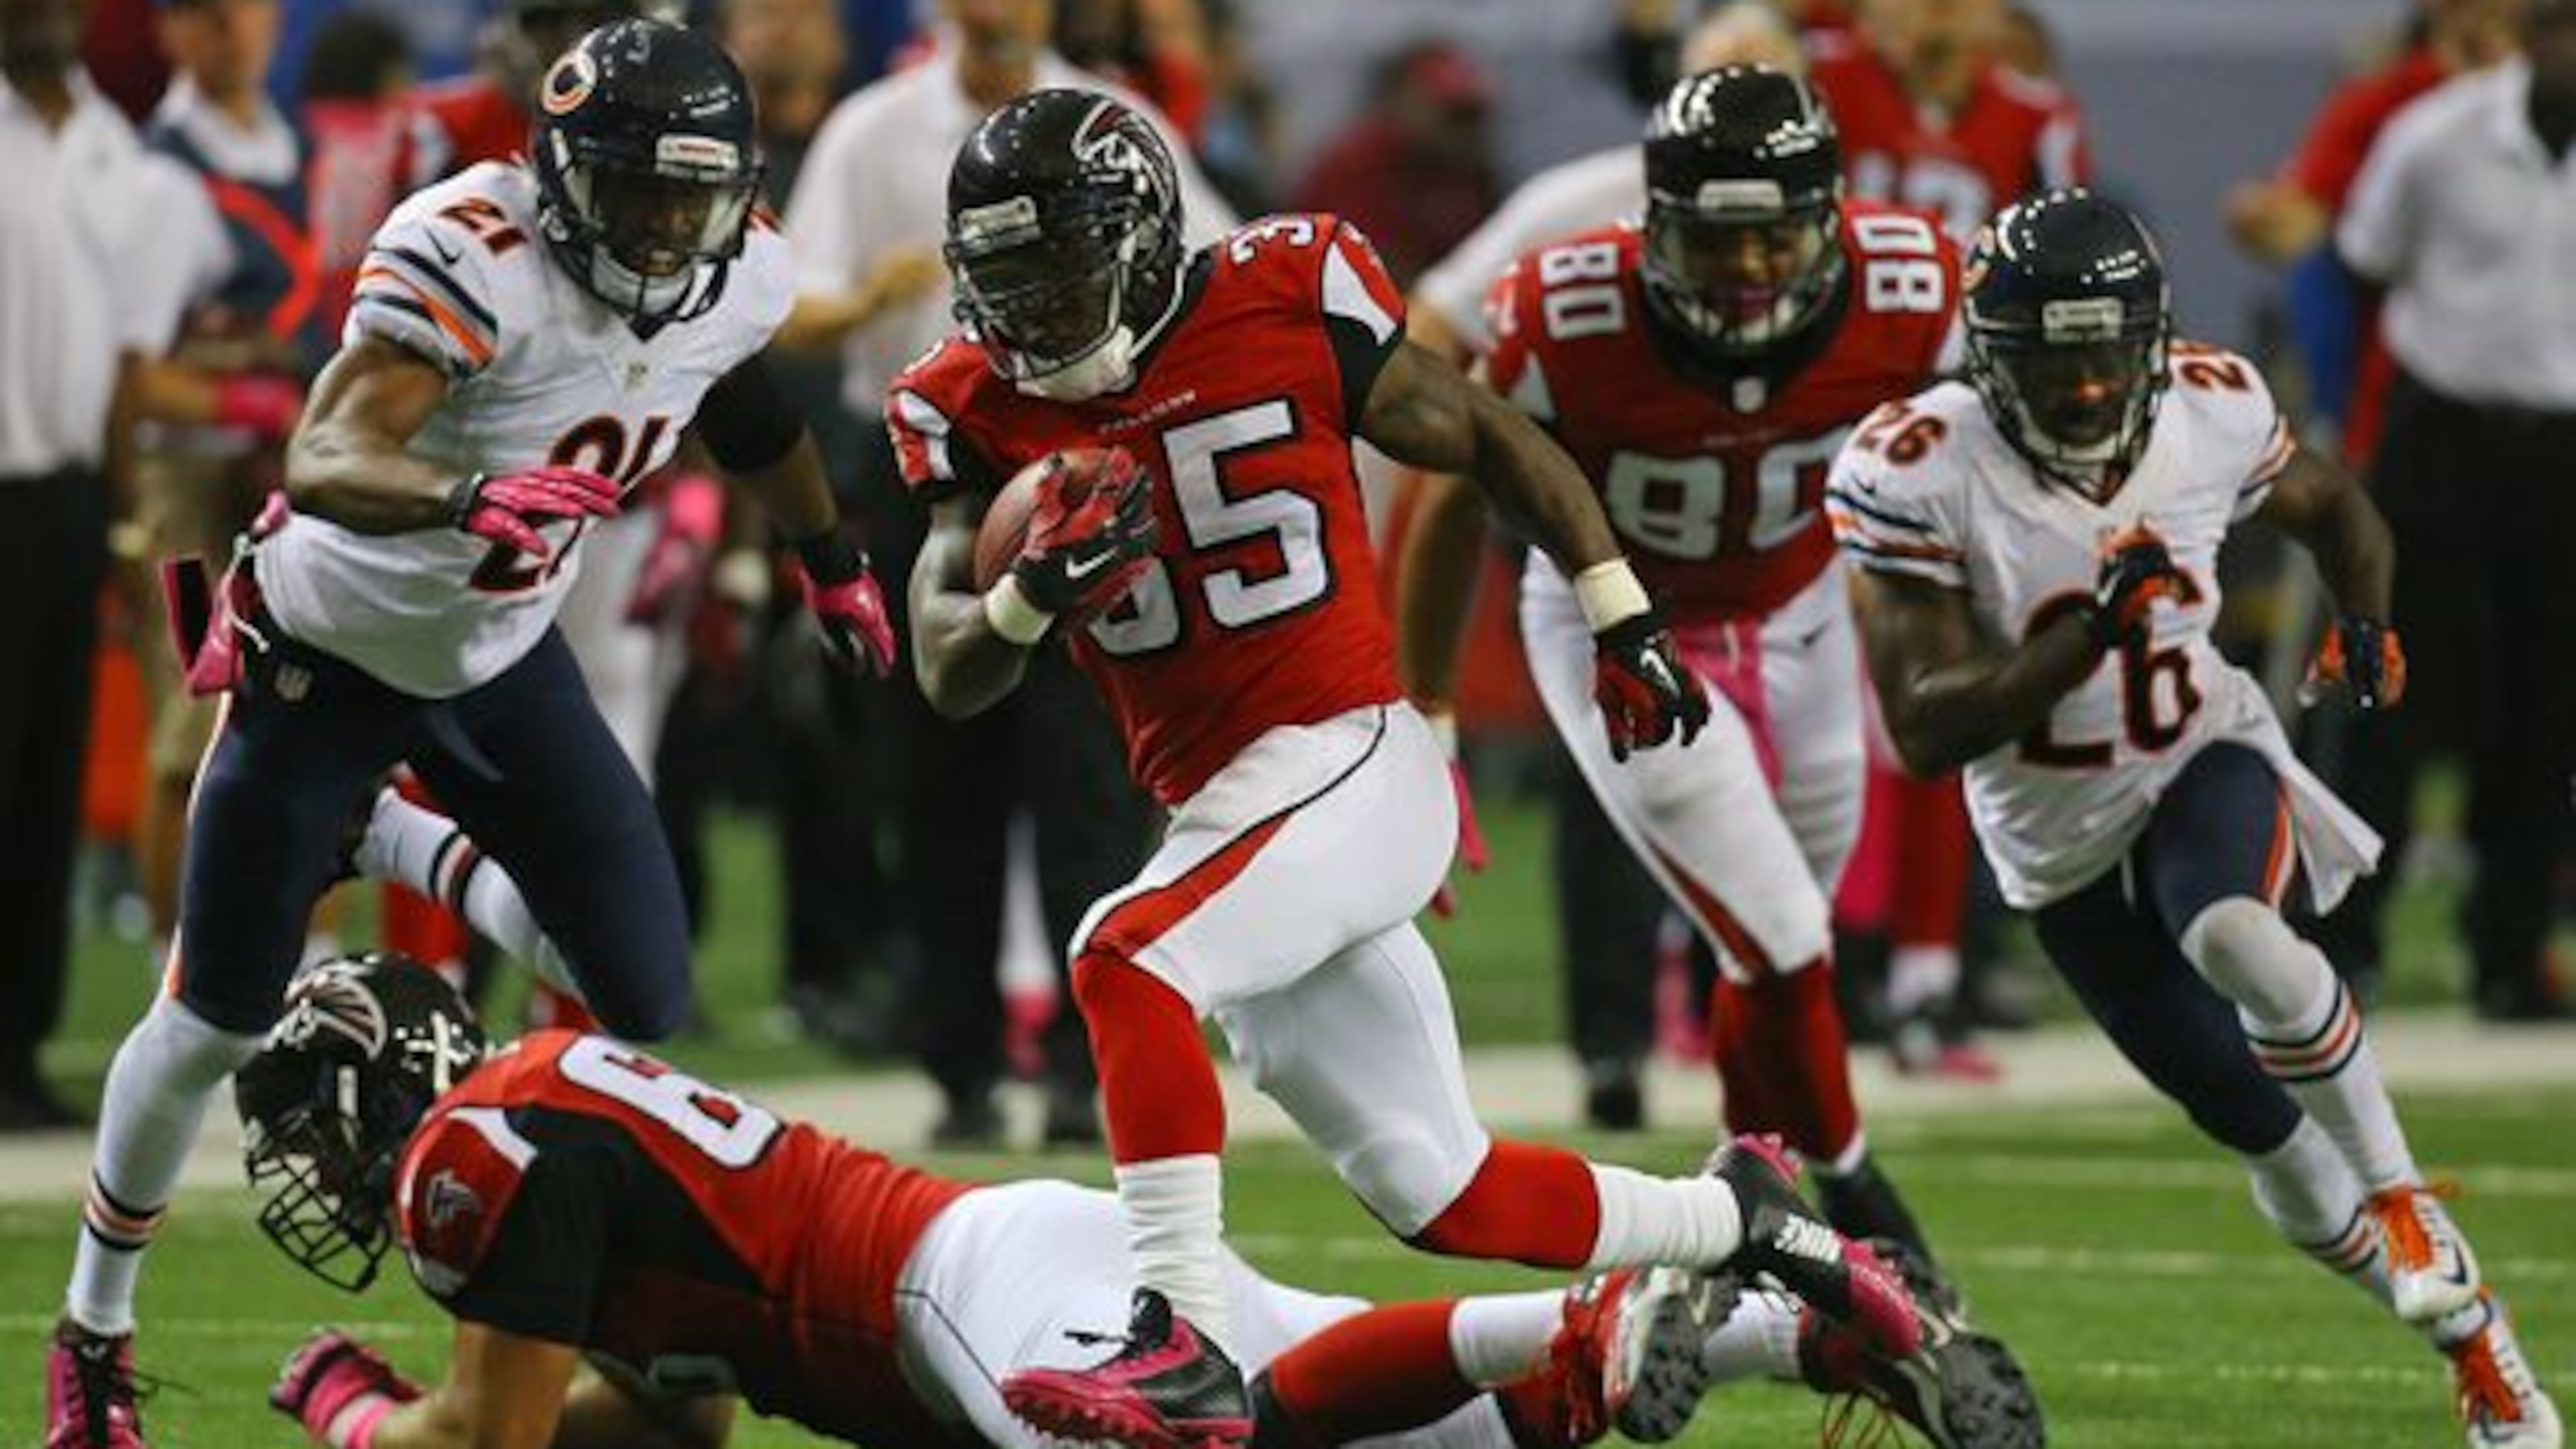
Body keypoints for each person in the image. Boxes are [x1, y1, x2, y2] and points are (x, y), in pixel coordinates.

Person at [891, 87, 1923, 1446]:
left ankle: (1180, 1336)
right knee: (1442, 1192)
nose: (1036, 312)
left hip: (1351, 752)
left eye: (1065, 270)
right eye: (1008, 282)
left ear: (1142, 240)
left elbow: (1491, 436)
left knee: (1122, 956)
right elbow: (947, 665)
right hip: (1225, 813)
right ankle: (1753, 1220)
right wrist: (1029, 594)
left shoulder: (1281, 291)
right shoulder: (965, 402)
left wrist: (1619, 612)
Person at [42, 25, 898, 1449]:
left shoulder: (735, 265)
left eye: (695, 197)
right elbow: (325, 453)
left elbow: (742, 403)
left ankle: (393, 837)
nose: (666, 227)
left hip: (501, 661)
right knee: (213, 1022)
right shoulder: (475, 247)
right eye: (639, 192)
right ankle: (93, 1333)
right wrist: (460, 498)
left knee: (643, 983)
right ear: (563, 173)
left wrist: (828, 557)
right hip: (325, 660)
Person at [1829, 187, 2563, 1449]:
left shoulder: (2210, 405)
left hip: (2197, 759)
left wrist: (2368, 622)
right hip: (2056, 851)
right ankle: (2478, 1342)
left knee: (2233, 932)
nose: (2082, 391)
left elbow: (2337, 508)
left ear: (2152, 341)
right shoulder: (1916, 466)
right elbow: (1927, 724)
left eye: (2106, 359)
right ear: (1990, 357)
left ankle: (2402, 1196)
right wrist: (2089, 638)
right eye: (2051, 364)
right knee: (2269, 1143)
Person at [235, 953, 1977, 1449]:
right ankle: (1806, 1331)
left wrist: (344, 1406)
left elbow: (491, 1442)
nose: (317, 1177)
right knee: (1445, 1438)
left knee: (1216, 1445)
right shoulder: (542, 1102)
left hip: (955, 1305)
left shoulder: (473, 1150)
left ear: (371, 1101)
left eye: (311, 1132)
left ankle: (1602, 1317)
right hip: (995, 1262)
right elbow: (668, 1423)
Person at [1397, 62, 2000, 1326]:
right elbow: (1454, 493)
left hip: (1802, 611)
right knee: (1782, 938)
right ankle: (1852, 1189)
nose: (1752, 266)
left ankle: (1742, 1212)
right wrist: (1432, 716)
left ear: (1831, 218)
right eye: (1719, 237)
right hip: (1620, 630)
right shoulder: (1567, 310)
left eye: (1779, 230)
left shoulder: (1916, 287)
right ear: (1653, 220)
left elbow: (1984, 437)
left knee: (1770, 950)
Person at [789, 0, 1233, 1148]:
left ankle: (1092, 1066)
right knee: (936, 780)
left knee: (1093, 773)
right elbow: (790, 298)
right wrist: (870, 300)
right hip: (920, 465)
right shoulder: (874, 129)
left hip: (1076, 461)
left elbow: (1213, 263)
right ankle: (963, 1066)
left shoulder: (1112, 123)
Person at [2325, 0, 2576, 1022]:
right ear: (2531, 37)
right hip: (2444, 437)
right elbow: (2357, 261)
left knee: (2548, 711)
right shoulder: (2436, 134)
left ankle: (2511, 955)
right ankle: (2340, 948)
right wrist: (2352, 416)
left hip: (2564, 451)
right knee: (2388, 688)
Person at [0, 0, 203, 1134]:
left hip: (72, 489)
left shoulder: (109, 147)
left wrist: (125, 519)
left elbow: (129, 352)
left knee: (43, 778)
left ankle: (18, 1046)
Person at [1805, 0, 2089, 239]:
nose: (1936, 13)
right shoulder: (1825, 70)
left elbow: (2063, 240)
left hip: (1973, 295)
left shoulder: (2038, 113)